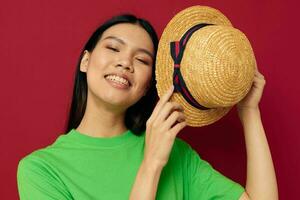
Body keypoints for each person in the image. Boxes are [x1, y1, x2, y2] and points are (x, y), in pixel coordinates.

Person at [17, 14, 278, 200]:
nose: (125, 63)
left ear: (147, 85)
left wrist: (249, 112)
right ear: (86, 61)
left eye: (142, 59)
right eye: (113, 48)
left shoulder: (175, 153)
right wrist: (151, 165)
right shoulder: (41, 169)